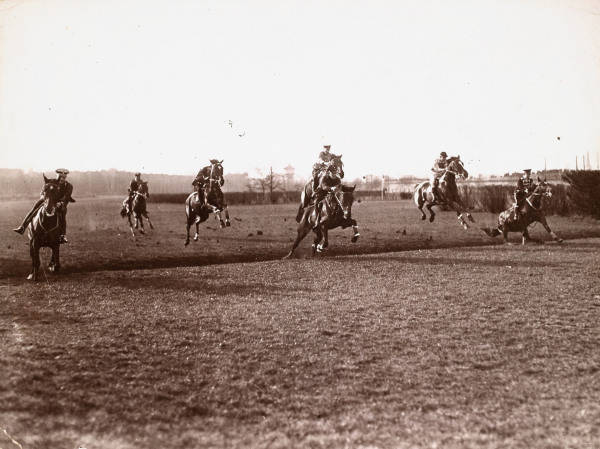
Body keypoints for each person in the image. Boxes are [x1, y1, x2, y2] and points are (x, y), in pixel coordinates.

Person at [14, 168, 74, 243]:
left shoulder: (69, 186)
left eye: (64, 177)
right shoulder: (51, 181)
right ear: (57, 176)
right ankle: (22, 227)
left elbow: (66, 197)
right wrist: (44, 198)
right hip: (47, 200)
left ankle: (62, 235)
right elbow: (42, 192)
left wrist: (61, 203)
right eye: (60, 177)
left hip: (60, 203)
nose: (62, 179)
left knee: (62, 215)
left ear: (66, 177)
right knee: (34, 209)